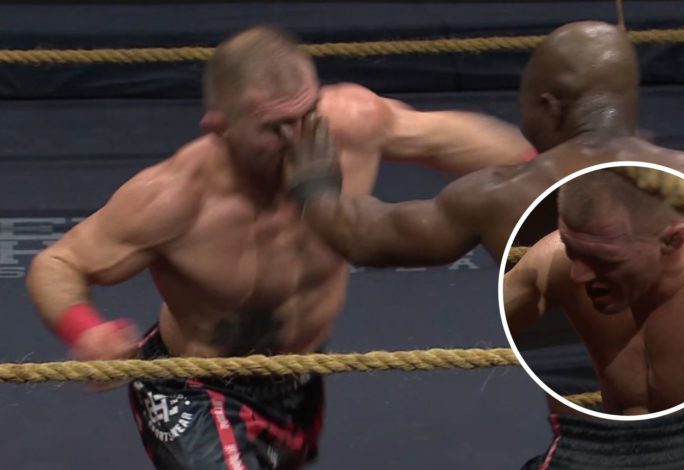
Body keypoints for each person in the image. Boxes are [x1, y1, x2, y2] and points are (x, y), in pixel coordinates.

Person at [24, 26, 536, 470]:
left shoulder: (349, 125)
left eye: (306, 114)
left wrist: (549, 172)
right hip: (198, 388)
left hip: (299, 377)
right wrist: (84, 330)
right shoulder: (171, 199)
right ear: (219, 126)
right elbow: (58, 262)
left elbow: (455, 140)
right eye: (274, 128)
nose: (297, 137)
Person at [283, 21, 684, 469]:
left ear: (550, 106)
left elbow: (364, 237)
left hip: (584, 451)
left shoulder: (504, 195)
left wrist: (315, 186)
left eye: (525, 107)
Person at [504, 168, 684, 415]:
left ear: (671, 241)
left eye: (603, 259)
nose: (577, 275)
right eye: (572, 251)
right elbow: (488, 325)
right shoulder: (561, 257)